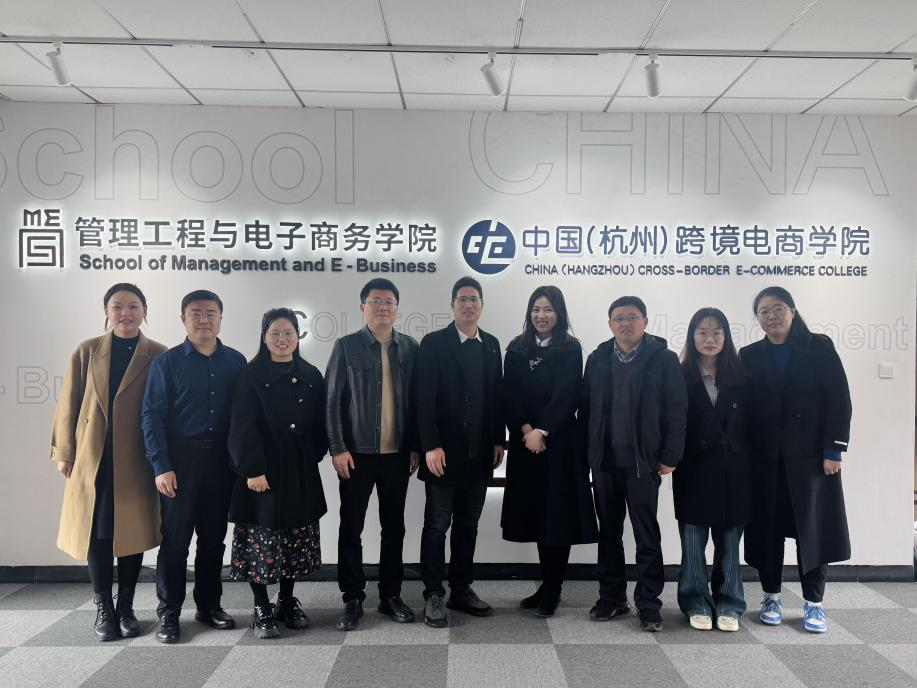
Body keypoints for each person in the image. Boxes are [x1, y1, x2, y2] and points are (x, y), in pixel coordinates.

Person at [51, 283, 167, 641]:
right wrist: (64, 451)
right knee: (97, 533)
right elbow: (69, 401)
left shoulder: (158, 354)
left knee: (131, 532)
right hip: (94, 457)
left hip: (136, 457)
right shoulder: (87, 350)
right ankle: (103, 607)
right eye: (117, 306)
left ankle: (126, 606)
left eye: (133, 306)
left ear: (144, 311)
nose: (125, 313)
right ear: (106, 311)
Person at [741, 286, 852, 634]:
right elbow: (744, 408)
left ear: (792, 310)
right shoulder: (749, 355)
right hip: (765, 460)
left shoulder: (818, 347)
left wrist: (833, 450)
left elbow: (839, 398)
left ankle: (813, 603)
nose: (771, 316)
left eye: (777, 308)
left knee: (811, 531)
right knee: (768, 530)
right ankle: (770, 596)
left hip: (812, 460)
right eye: (763, 311)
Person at [141, 289, 246, 643]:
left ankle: (209, 605)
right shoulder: (167, 363)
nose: (204, 319)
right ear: (183, 319)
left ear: (220, 318)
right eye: (196, 313)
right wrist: (160, 465)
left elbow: (245, 416)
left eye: (211, 313)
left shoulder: (236, 361)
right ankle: (169, 612)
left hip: (222, 462)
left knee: (214, 539)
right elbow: (151, 416)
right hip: (180, 461)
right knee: (175, 541)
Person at [581, 295, 687, 632]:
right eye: (619, 318)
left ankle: (649, 603)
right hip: (605, 461)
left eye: (632, 317)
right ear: (610, 324)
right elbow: (586, 409)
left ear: (645, 321)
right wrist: (588, 454)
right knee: (609, 533)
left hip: (644, 462)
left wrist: (670, 456)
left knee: (646, 533)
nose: (625, 323)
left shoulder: (663, 359)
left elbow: (677, 409)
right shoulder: (597, 358)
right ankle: (612, 597)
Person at [325, 278, 420, 631]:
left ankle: (390, 594)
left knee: (394, 527)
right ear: (362, 307)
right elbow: (331, 402)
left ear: (397, 309)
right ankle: (352, 597)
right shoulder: (346, 347)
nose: (383, 306)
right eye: (376, 300)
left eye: (389, 301)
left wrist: (415, 445)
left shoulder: (410, 348)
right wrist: (337, 448)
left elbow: (419, 402)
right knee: (352, 527)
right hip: (357, 455)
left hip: (397, 455)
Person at [228, 308, 327, 639]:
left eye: (289, 333)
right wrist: (252, 469)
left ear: (298, 336)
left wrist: (313, 453)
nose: (282, 339)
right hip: (262, 471)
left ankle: (286, 600)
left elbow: (321, 421)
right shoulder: (250, 375)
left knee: (294, 539)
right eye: (275, 333)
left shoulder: (311, 374)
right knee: (261, 539)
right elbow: (242, 425)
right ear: (264, 337)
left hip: (299, 469)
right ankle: (261, 605)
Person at [501, 286, 597, 617]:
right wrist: (526, 429)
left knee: (558, 518)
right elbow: (509, 394)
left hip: (560, 446)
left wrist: (542, 430)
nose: (541, 315)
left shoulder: (570, 347)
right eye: (536, 309)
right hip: (526, 446)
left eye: (548, 309)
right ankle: (546, 583)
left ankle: (553, 589)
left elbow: (567, 394)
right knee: (536, 518)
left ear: (560, 313)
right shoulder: (516, 347)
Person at [416, 276, 505, 628]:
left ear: (482, 305)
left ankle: (461, 588)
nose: (468, 304)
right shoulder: (434, 343)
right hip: (443, 454)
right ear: (452, 305)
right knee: (437, 525)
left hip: (479, 454)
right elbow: (423, 398)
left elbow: (496, 396)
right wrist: (429, 445)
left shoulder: (492, 345)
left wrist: (498, 440)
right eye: (462, 299)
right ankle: (433, 593)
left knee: (468, 525)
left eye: (474, 299)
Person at [674, 307, 750, 632]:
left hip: (735, 468)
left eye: (716, 332)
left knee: (730, 542)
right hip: (694, 467)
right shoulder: (680, 375)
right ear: (692, 336)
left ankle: (729, 602)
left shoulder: (742, 375)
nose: (709, 338)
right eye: (702, 332)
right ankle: (695, 601)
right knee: (693, 541)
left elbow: (754, 424)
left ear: (726, 336)